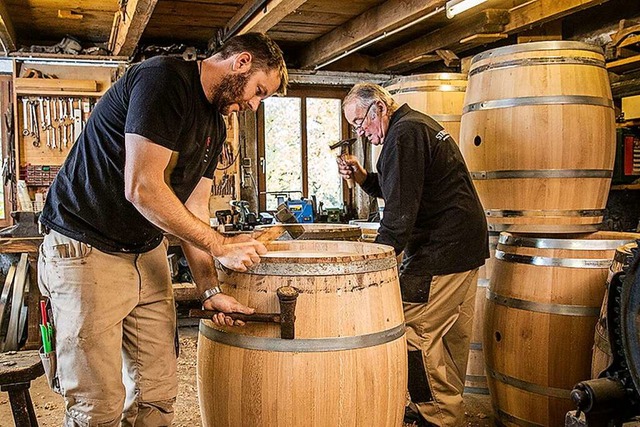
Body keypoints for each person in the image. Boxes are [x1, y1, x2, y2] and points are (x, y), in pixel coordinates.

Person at [37, 33, 288, 426]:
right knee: (96, 404)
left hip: (145, 250)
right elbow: (142, 187)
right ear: (240, 62)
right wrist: (221, 245)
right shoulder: (163, 79)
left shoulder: (216, 126)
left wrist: (210, 289)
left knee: (157, 394)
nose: (253, 105)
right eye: (258, 91)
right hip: (87, 245)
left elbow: (195, 208)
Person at [338, 83, 488, 427]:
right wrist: (363, 178)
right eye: (356, 128)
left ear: (378, 107)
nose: (362, 133)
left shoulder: (404, 134)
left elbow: (400, 214)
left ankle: (439, 417)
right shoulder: (412, 126)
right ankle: (442, 406)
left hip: (441, 250)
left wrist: (375, 265)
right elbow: (404, 187)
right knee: (448, 335)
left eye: (361, 122)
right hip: (463, 245)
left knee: (411, 330)